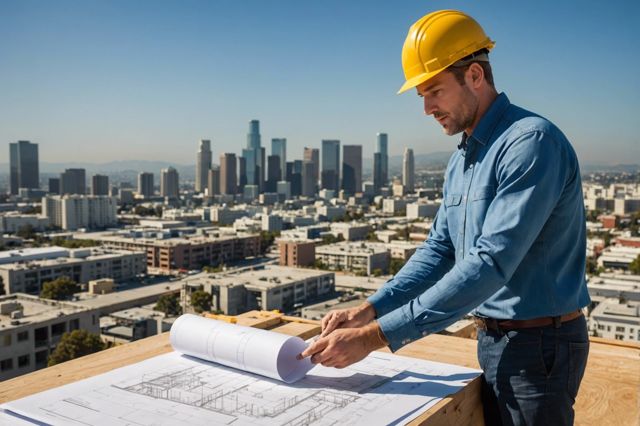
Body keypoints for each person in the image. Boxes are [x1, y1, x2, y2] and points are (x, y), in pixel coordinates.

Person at [299, 9, 591, 426]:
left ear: (474, 76)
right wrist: (369, 310)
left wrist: (374, 337)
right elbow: (440, 250)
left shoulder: (530, 143)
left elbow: (490, 263)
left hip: (540, 344)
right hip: (494, 338)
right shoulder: (464, 158)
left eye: (433, 91)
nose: (426, 108)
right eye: (421, 95)